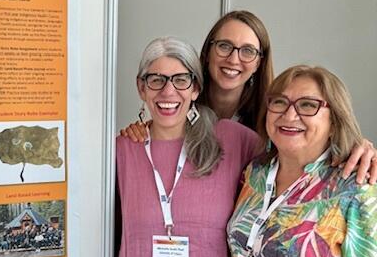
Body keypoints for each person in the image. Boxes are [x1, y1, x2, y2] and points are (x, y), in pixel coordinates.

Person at [115, 37, 260, 257]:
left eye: (181, 79)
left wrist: (358, 150)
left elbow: (298, 163)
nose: (168, 91)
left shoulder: (234, 140)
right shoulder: (121, 149)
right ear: (141, 88)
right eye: (156, 79)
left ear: (195, 88)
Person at [227, 66, 377, 257]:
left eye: (308, 105)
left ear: (334, 119)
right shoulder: (253, 174)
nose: (289, 114)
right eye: (279, 102)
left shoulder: (355, 190)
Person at [121, 10, 377, 183]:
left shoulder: (276, 117)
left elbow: (316, 146)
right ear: (208, 51)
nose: (233, 59)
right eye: (224, 46)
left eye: (247, 51)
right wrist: (140, 132)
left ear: (258, 62)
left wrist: (357, 146)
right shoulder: (178, 101)